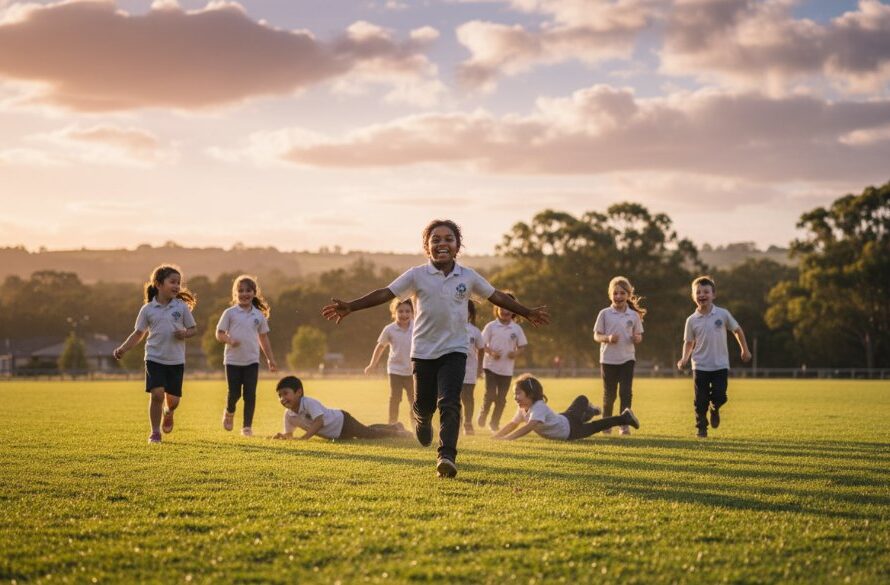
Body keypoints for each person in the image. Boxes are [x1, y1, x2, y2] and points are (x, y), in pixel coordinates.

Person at [322, 219, 550, 478]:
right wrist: (352, 306)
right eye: (436, 239)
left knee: (450, 403)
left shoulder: (467, 276)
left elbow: (495, 296)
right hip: (423, 353)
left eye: (448, 239)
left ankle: (447, 456)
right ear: (427, 247)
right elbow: (386, 293)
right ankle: (421, 418)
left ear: (457, 245)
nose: (442, 243)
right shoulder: (416, 275)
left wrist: (527, 312)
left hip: (454, 350)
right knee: (425, 404)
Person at [113, 265, 197, 443]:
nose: (177, 286)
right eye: (172, 282)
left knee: (173, 401)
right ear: (158, 284)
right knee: (157, 394)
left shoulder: (181, 307)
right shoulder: (147, 310)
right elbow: (138, 333)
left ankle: (169, 412)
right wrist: (123, 349)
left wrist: (185, 333)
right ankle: (155, 432)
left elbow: (193, 329)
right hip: (154, 358)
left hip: (175, 360)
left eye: (179, 283)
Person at [677, 276, 751, 438]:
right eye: (698, 292)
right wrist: (684, 359)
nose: (702, 295)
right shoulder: (691, 320)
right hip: (700, 365)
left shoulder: (722, 314)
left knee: (720, 396)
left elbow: (737, 330)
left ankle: (715, 408)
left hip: (720, 365)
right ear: (693, 296)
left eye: (706, 292)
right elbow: (688, 342)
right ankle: (701, 428)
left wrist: (744, 350)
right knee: (700, 400)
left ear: (713, 295)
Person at [216, 274, 278, 437]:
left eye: (248, 291)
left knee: (250, 394)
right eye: (241, 291)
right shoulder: (230, 313)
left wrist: (270, 360)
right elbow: (219, 334)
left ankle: (247, 427)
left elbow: (263, 338)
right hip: (232, 361)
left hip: (251, 361)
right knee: (234, 393)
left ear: (254, 293)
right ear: (235, 294)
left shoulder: (258, 315)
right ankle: (229, 412)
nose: (245, 294)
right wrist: (229, 340)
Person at [492, 374, 638, 441]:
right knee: (580, 404)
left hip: (571, 429)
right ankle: (589, 412)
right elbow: (512, 424)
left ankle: (625, 417)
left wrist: (508, 438)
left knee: (587, 409)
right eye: (514, 394)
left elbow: (528, 427)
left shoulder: (538, 407)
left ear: (530, 394)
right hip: (564, 418)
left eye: (518, 394)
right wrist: (497, 436)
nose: (515, 397)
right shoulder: (522, 408)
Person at [271, 376, 410, 441]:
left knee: (367, 434)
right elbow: (289, 434)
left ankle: (397, 433)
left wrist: (305, 437)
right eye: (279, 395)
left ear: (299, 392)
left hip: (341, 421)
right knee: (365, 430)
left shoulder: (308, 403)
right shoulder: (289, 415)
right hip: (337, 435)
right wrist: (282, 436)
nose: (282, 398)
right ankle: (395, 426)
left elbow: (319, 422)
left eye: (285, 393)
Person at [593, 276, 645, 435]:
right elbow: (596, 336)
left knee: (626, 392)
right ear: (610, 295)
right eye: (615, 293)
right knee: (610, 394)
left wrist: (637, 338)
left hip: (627, 358)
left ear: (628, 295)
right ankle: (606, 424)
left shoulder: (633, 316)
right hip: (608, 359)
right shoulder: (604, 314)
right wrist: (607, 338)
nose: (618, 297)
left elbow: (639, 335)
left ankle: (624, 424)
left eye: (622, 293)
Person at [477, 292, 528, 431]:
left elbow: (522, 346)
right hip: (490, 366)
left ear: (514, 311)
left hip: (506, 369)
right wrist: (491, 352)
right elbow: (481, 344)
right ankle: (483, 413)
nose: (505, 311)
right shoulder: (491, 327)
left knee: (501, 399)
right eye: (502, 308)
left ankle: (494, 422)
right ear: (497, 309)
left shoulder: (516, 329)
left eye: (508, 308)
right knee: (491, 394)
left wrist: (516, 353)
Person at [364, 298, 415, 424]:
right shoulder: (389, 329)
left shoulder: (417, 327)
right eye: (401, 311)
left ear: (412, 313)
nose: (404, 314)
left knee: (414, 399)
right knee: (395, 398)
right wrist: (372, 364)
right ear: (394, 312)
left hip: (413, 371)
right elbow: (380, 347)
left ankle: (416, 423)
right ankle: (392, 423)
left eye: (407, 311)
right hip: (395, 370)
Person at [460, 300, 485, 435]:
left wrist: (480, 367)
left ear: (470, 313)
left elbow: (481, 349)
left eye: (466, 310)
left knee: (468, 397)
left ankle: (468, 423)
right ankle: (456, 421)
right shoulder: (450, 327)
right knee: (453, 398)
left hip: (469, 369)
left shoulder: (475, 331)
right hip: (452, 369)